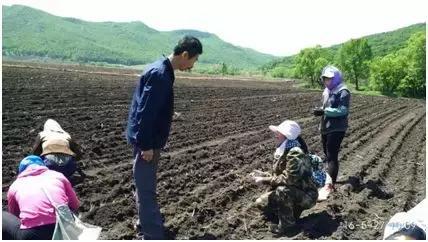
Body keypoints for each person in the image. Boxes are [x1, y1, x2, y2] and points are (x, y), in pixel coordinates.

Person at [126, 35, 202, 240]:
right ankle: (152, 236)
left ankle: (144, 224)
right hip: (147, 142)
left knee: (143, 185)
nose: (192, 66)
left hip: (146, 139)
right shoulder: (160, 74)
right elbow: (145, 112)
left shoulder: (161, 69)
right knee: (146, 189)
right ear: (185, 55)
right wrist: (146, 146)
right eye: (193, 60)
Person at [250, 120, 318, 235]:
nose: (276, 135)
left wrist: (264, 180)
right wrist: (262, 174)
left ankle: (288, 226)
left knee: (282, 191)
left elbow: (289, 179)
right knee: (260, 203)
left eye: (279, 133)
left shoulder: (295, 153)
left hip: (306, 194)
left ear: (286, 135)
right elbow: (278, 175)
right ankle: (291, 213)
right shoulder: (284, 149)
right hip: (294, 190)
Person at [2, 155, 79, 240]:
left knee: (3, 216)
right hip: (66, 229)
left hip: (33, 234)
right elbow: (75, 204)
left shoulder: (15, 185)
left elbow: (15, 214)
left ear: (22, 171)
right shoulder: (58, 176)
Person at [312, 65, 351, 198]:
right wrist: (320, 110)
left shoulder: (343, 91)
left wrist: (325, 111)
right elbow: (325, 106)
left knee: (332, 155)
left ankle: (330, 185)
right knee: (327, 155)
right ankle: (329, 179)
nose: (326, 81)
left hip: (337, 127)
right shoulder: (326, 91)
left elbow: (343, 110)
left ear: (335, 78)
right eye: (324, 79)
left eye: (328, 79)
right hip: (326, 126)